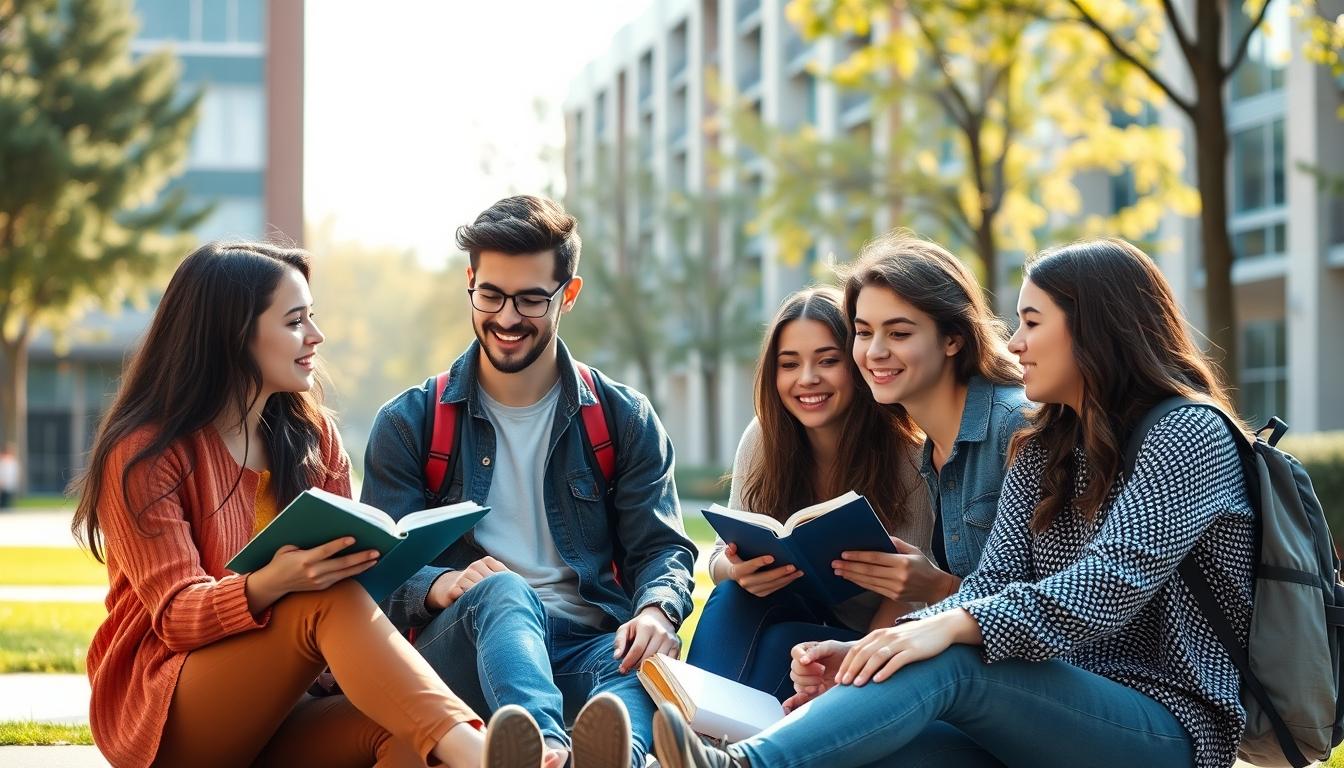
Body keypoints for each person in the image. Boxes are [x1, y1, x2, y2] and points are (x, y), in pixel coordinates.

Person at [651, 237, 1256, 768]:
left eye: (1032, 322)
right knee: (861, 743)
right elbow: (989, 582)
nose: (1014, 343)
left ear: (1096, 327)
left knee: (954, 655)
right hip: (1035, 705)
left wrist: (940, 630)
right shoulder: (1044, 442)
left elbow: (1105, 586)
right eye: (864, 333)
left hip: (1162, 725)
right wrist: (867, 652)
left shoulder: (1186, 432)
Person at [68, 241, 549, 768]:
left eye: (312, 317)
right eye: (296, 321)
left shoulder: (312, 437)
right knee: (322, 595)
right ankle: (487, 759)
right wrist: (277, 579)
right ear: (234, 335)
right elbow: (177, 616)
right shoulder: (146, 452)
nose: (316, 336)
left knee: (412, 736)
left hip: (288, 706)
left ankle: (478, 752)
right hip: (170, 715)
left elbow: (354, 603)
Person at [362, 195, 697, 768]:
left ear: (568, 294)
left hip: (586, 641)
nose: (507, 317)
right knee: (504, 589)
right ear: (470, 282)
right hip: (463, 648)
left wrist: (655, 612)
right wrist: (442, 585)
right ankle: (546, 748)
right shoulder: (410, 423)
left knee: (642, 669)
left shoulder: (623, 418)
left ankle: (617, 760)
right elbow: (376, 572)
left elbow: (662, 548)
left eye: (530, 299)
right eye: (490, 294)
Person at [686, 286, 933, 701]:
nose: (807, 379)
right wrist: (735, 570)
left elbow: (912, 596)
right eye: (789, 364)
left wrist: (854, 663)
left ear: (855, 365)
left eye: (828, 361)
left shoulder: (909, 454)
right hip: (791, 608)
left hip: (875, 639)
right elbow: (716, 558)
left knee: (784, 645)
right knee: (732, 594)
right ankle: (685, 727)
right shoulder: (763, 438)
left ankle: (700, 746)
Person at [831, 232, 1027, 607]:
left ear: (953, 339)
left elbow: (1050, 605)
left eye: (899, 333)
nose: (874, 352)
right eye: (863, 332)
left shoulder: (1015, 425)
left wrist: (938, 589)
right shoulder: (930, 448)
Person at [0, 444, 18, 509]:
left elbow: (12, 474)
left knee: (8, 501)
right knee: (4, 501)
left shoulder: (12, 461)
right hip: (4, 484)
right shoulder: (3, 461)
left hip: (9, 484)